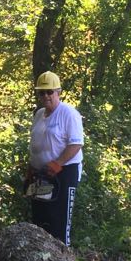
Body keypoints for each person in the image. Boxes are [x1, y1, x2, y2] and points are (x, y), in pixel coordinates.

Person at [25, 71, 84, 246]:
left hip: (64, 173)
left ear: (58, 92)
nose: (46, 96)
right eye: (41, 92)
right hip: (40, 174)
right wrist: (31, 167)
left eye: (49, 92)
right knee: (41, 216)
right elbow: (37, 142)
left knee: (59, 220)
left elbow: (76, 144)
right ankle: (42, 258)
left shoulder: (68, 113)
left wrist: (58, 163)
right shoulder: (39, 114)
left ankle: (63, 259)